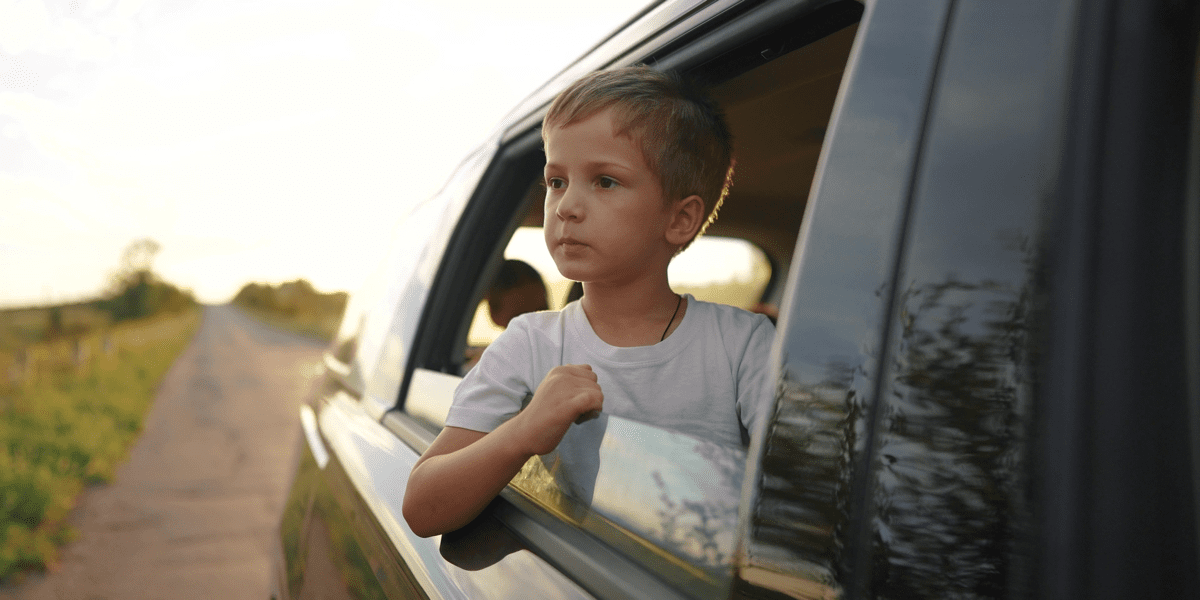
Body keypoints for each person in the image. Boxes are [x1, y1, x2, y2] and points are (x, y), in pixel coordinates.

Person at [403, 66, 775, 538]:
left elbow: (802, 505)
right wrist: (522, 431)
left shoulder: (743, 346)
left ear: (680, 220)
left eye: (604, 181)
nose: (566, 206)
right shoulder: (530, 344)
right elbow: (422, 506)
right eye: (556, 181)